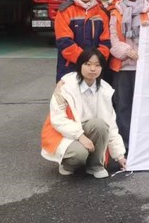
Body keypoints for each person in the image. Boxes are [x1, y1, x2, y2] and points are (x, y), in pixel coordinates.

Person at [40, 49, 127, 178]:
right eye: (87, 64)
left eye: (97, 65)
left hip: (89, 129)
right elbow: (58, 119)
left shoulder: (105, 90)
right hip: (64, 133)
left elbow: (111, 125)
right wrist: (80, 137)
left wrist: (120, 156)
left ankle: (95, 165)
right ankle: (68, 165)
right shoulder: (65, 87)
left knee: (101, 124)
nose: (92, 69)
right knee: (79, 154)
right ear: (80, 65)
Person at [109, 0, 149, 149]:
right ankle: (125, 145)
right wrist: (127, 51)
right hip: (123, 67)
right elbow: (113, 39)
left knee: (145, 106)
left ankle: (143, 145)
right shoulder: (115, 12)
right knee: (123, 106)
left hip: (143, 67)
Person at [54, 0, 110, 81]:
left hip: (95, 68)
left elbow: (106, 42)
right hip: (70, 67)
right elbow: (63, 40)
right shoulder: (65, 10)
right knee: (69, 91)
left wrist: (95, 61)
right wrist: (84, 59)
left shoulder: (102, 13)